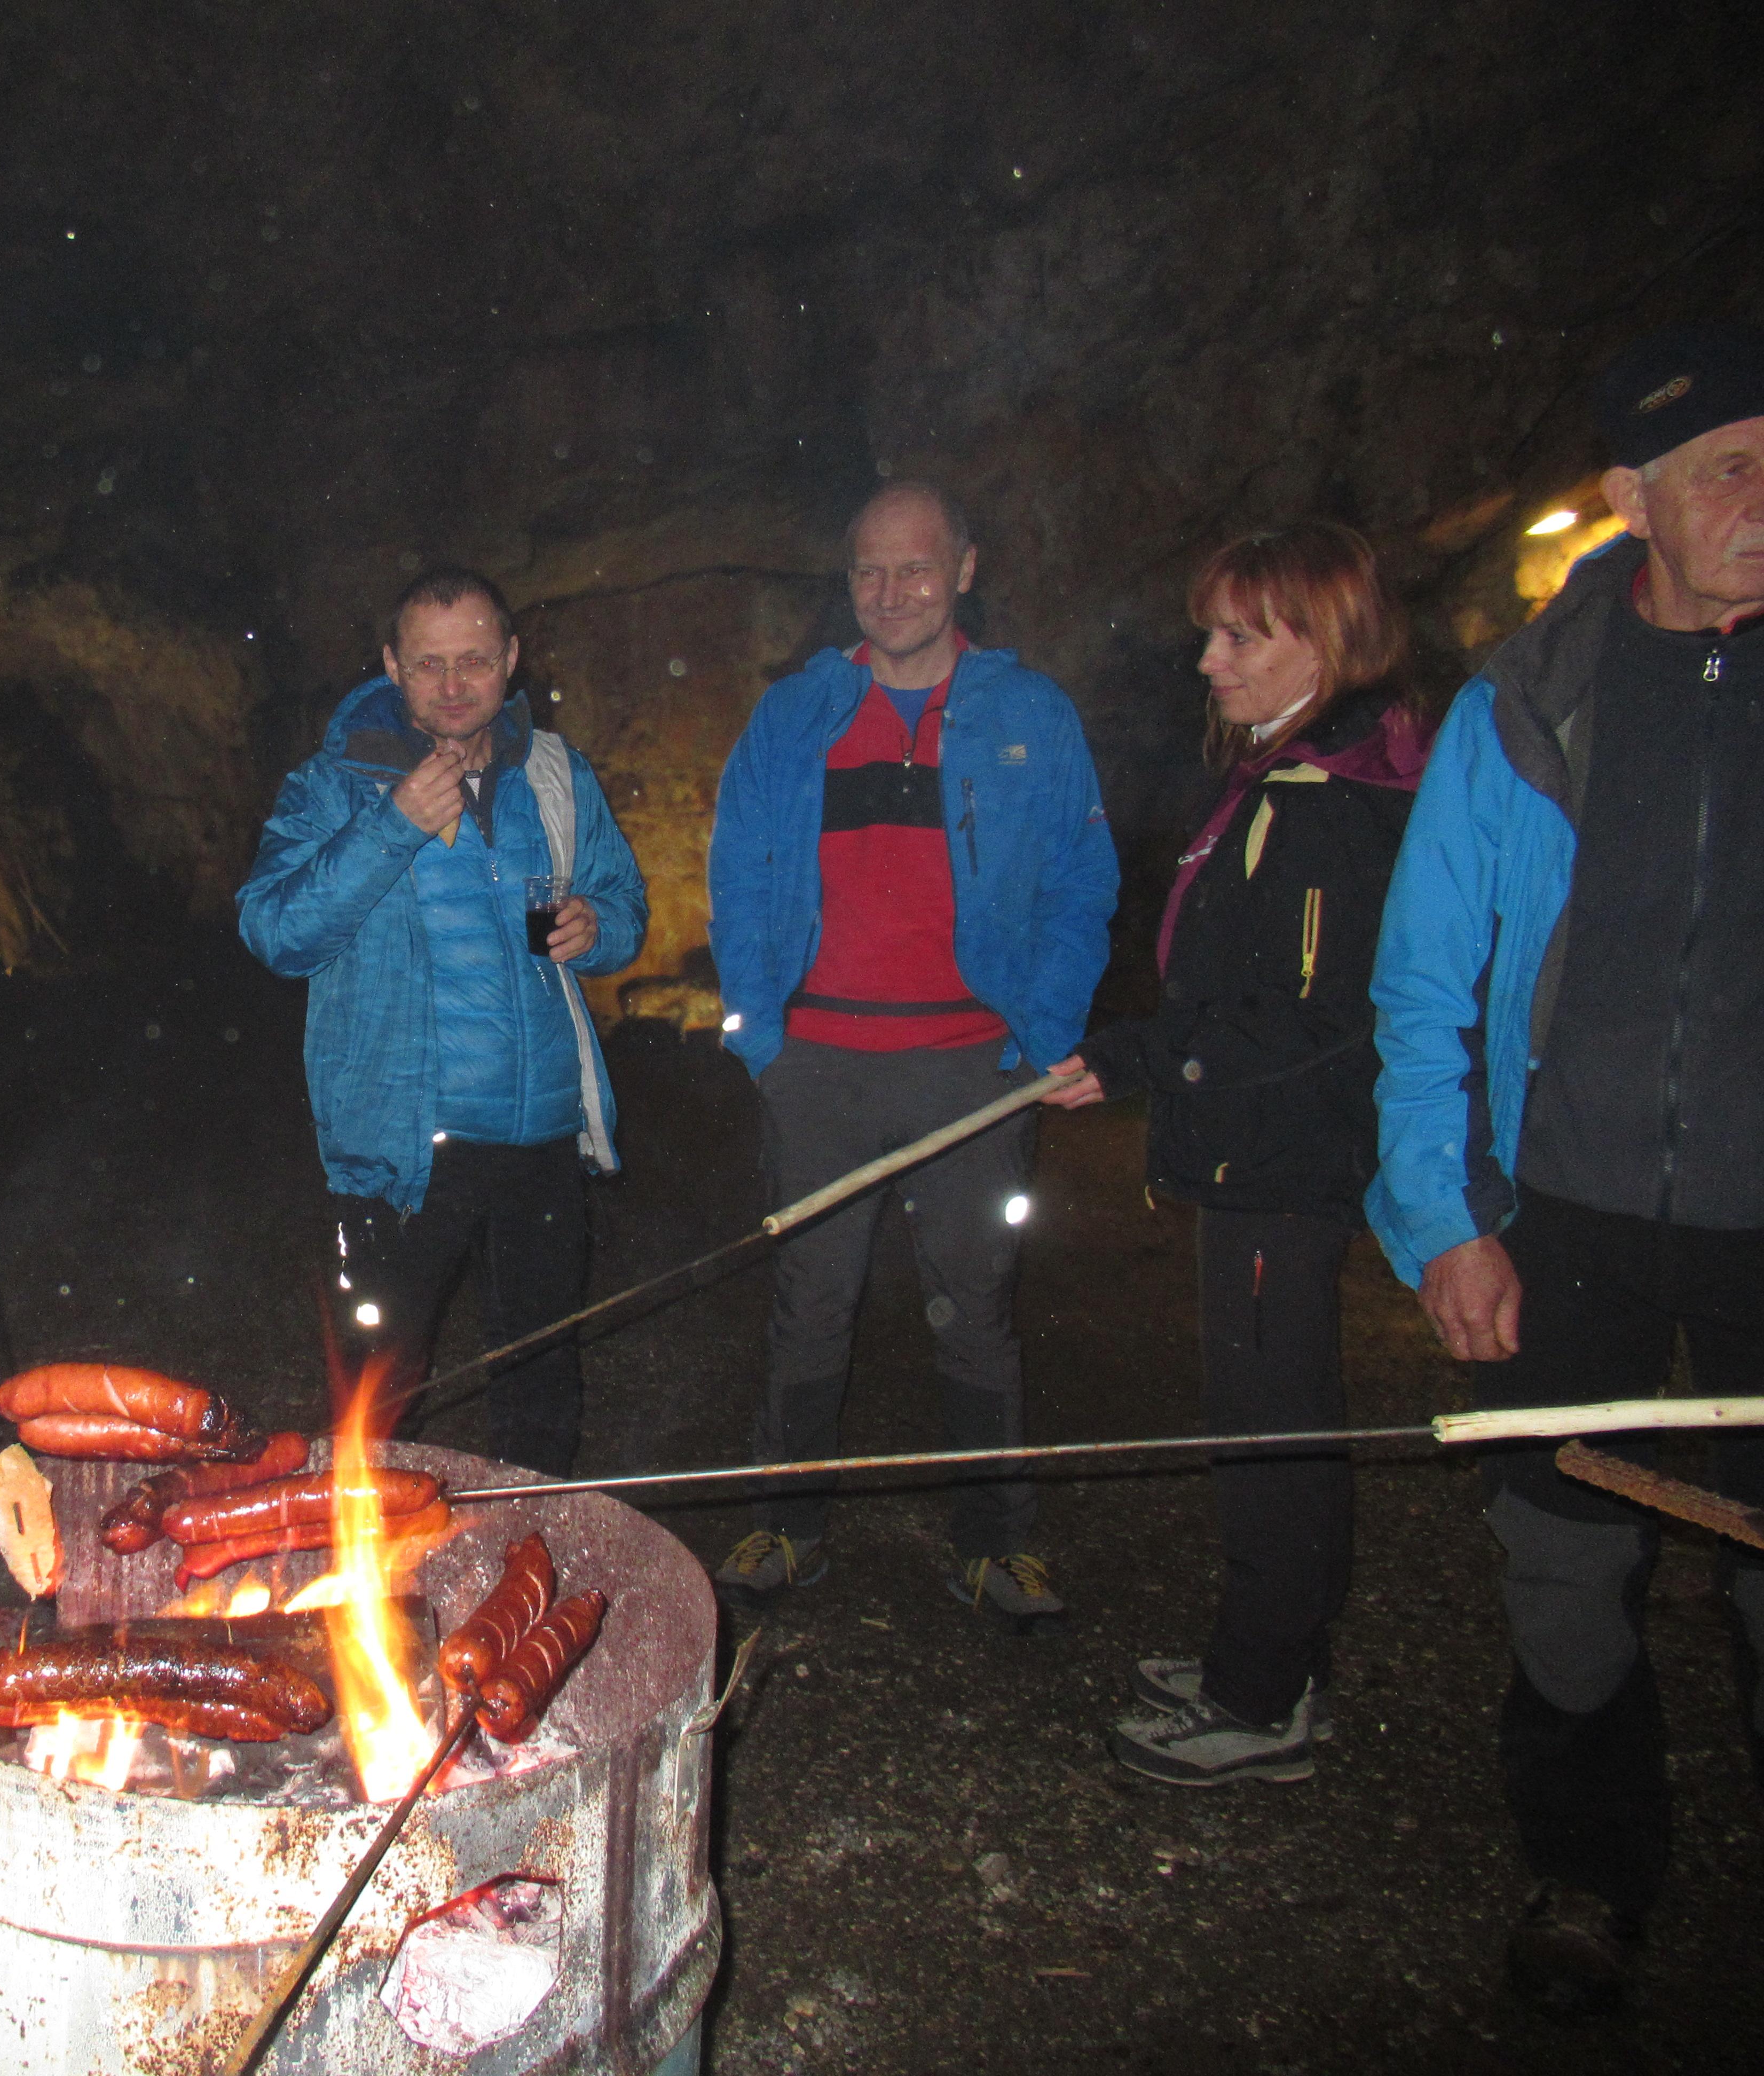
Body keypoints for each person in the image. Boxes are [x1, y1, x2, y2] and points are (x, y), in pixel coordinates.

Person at [1367, 325, 1764, 2018]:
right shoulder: (1525, 708)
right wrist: (1447, 1221)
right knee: (1564, 1552)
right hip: (1572, 1207)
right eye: (1728, 470)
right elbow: (1423, 979)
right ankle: (1589, 1868)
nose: (1762, 501)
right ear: (1633, 498)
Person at [1044, 522, 1431, 1782]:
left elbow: (1315, 1014)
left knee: (1275, 1427)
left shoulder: (1327, 808)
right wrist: (1148, 1059)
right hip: (1257, 1154)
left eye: (1238, 636)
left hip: (1281, 1161)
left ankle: (1260, 1700)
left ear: (1322, 642)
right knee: (1264, 1413)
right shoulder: (1289, 778)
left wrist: (1146, 1058)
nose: (1209, 660)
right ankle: (1274, 1656)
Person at [706, 481, 1117, 1623]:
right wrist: (762, 1036)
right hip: (821, 1064)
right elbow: (740, 871)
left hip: (970, 1068)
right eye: (870, 572)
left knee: (975, 1305)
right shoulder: (797, 714)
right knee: (811, 1301)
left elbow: (1083, 880)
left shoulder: (1026, 711)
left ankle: (994, 1541)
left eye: (917, 568)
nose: (892, 594)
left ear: (965, 570)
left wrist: (1044, 1033)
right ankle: (788, 1525)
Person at [237, 567, 646, 1475]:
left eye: (475, 660)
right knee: (378, 1387)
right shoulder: (334, 786)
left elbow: (621, 900)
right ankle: (360, 1547)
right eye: (429, 664)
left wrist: (600, 926)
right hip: (407, 1146)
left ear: (511, 658)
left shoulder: (555, 774)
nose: (454, 685)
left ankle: (528, 1535)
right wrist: (393, 825)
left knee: (540, 1371)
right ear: (391, 664)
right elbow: (275, 933)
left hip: (542, 1132)